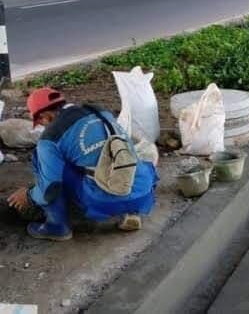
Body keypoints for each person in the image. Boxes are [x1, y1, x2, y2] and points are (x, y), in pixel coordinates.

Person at [7, 88, 158, 241]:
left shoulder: (50, 138)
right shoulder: (100, 111)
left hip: (102, 201)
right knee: (129, 160)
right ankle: (131, 212)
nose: (41, 126)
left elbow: (50, 190)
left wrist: (29, 196)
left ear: (46, 115)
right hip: (142, 192)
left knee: (43, 161)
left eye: (39, 121)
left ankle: (57, 226)